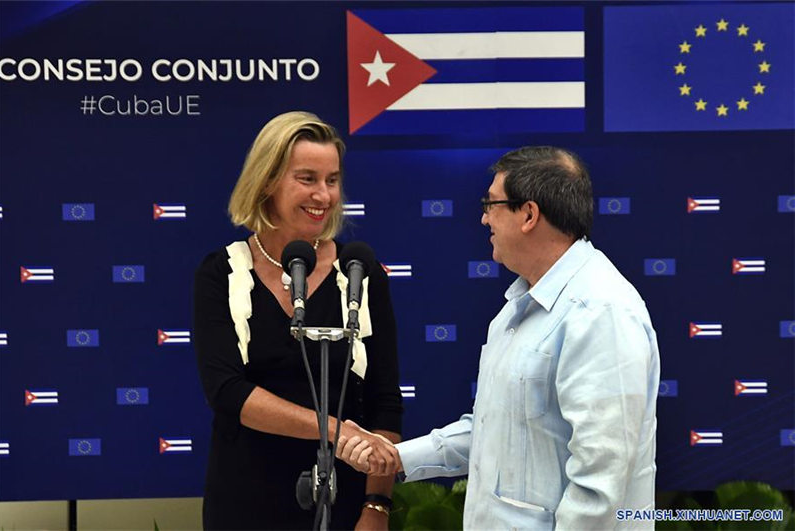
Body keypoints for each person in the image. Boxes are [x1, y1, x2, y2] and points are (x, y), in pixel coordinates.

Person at [339, 146, 660, 530]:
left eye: (491, 204)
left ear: (528, 214)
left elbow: (600, 484)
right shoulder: (518, 306)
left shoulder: (599, 313)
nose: (483, 218)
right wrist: (395, 456)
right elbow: (495, 430)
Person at [193, 111, 402, 530]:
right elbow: (229, 393)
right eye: (307, 179)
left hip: (345, 500)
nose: (324, 195)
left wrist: (376, 504)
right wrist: (334, 431)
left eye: (332, 180)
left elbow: (385, 403)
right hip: (245, 501)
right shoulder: (222, 273)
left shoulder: (359, 270)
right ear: (268, 180)